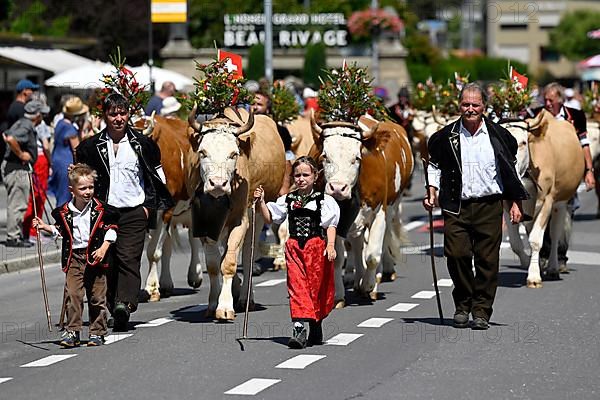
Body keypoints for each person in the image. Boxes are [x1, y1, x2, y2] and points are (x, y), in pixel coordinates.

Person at [424, 83, 527, 330]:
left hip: (488, 205)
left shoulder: (500, 136)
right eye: (465, 105)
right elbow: (434, 165)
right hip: (456, 205)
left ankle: (481, 310)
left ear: (484, 107)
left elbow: (509, 172)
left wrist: (514, 202)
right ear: (459, 106)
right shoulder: (445, 137)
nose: (470, 109)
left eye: (475, 105)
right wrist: (431, 191)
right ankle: (463, 303)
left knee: (487, 261)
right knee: (457, 255)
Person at [75, 93, 174, 331]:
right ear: (105, 116)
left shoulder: (144, 144)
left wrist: (148, 208)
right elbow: (81, 174)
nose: (118, 118)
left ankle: (125, 303)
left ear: (128, 115)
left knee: (129, 258)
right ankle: (112, 304)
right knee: (107, 260)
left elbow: (156, 178)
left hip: (134, 211)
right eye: (113, 114)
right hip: (104, 212)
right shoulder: (91, 147)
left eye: (122, 113)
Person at [254, 156, 340, 348]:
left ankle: (316, 324)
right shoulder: (288, 200)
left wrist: (331, 245)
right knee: (297, 286)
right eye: (297, 175)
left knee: (315, 288)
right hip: (294, 247)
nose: (301, 179)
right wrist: (260, 202)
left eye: (306, 175)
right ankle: (299, 329)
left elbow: (330, 225)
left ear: (315, 176)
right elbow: (270, 218)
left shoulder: (324, 201)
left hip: (316, 248)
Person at [33, 164, 118, 347]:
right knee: (73, 295)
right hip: (74, 258)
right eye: (83, 188)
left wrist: (104, 248)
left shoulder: (101, 210)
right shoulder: (65, 212)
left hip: (95, 256)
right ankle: (73, 331)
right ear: (72, 190)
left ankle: (97, 332)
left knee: (96, 297)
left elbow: (111, 230)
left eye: (91, 187)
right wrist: (44, 226)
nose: (88, 192)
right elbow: (61, 231)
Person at [541, 83, 595, 272]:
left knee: (566, 215)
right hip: (545, 176)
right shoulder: (539, 117)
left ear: (560, 100)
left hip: (568, 175)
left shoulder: (575, 116)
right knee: (543, 215)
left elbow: (584, 143)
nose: (547, 103)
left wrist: (589, 170)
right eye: (545, 99)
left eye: (551, 100)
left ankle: (561, 255)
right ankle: (545, 254)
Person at [2, 100, 48, 247]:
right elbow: (10, 138)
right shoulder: (26, 125)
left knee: (19, 202)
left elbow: (6, 134)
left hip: (16, 167)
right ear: (37, 115)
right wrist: (21, 154)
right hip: (17, 168)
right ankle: (13, 237)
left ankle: (16, 235)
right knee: (18, 203)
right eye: (42, 113)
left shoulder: (23, 123)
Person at [22, 93, 52, 242]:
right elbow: (46, 146)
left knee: (32, 196)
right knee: (38, 197)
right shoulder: (41, 126)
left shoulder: (24, 124)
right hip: (41, 160)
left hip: (33, 159)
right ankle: (34, 231)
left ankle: (27, 230)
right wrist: (50, 162)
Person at [48, 96, 88, 207]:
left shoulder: (60, 122)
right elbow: (76, 149)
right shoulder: (70, 128)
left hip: (57, 159)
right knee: (65, 195)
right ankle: (62, 220)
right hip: (65, 162)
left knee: (60, 192)